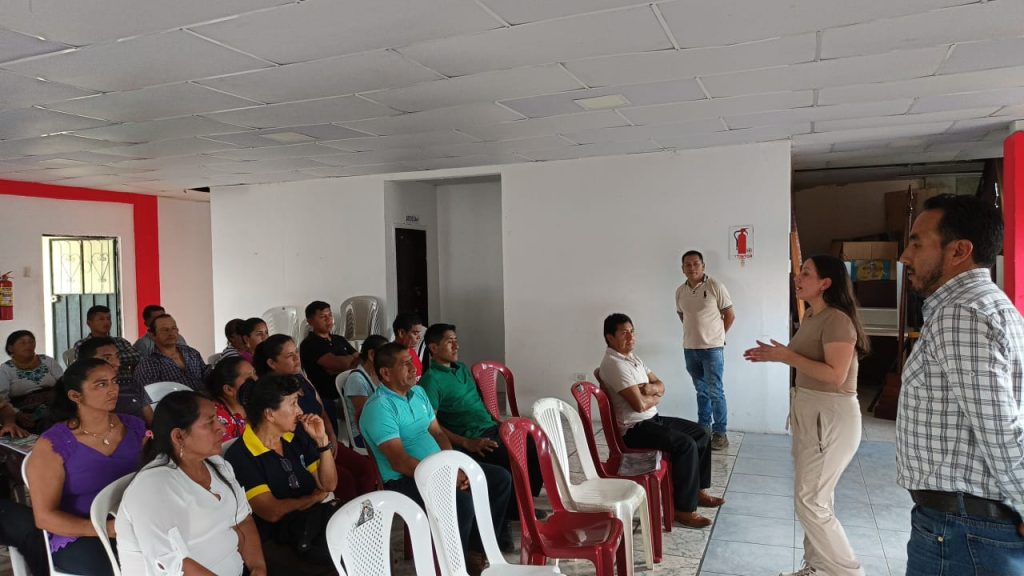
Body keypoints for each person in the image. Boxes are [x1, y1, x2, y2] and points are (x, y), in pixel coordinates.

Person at [895, 194, 1024, 576]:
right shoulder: (989, 305)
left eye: (917, 244)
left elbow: (999, 428)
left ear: (959, 251)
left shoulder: (960, 315)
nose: (904, 256)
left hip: (966, 530)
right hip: (968, 526)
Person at [744, 255, 869, 576]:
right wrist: (779, 356)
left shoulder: (837, 320)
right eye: (799, 273)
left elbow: (836, 375)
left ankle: (847, 572)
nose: (797, 278)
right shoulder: (814, 315)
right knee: (817, 498)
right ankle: (818, 568)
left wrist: (787, 356)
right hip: (810, 412)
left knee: (810, 501)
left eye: (806, 273)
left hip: (831, 416)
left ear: (825, 283)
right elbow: (805, 361)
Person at [360, 343, 513, 570]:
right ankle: (452, 565)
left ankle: (475, 552)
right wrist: (445, 477)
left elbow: (438, 433)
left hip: (438, 469)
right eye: (405, 364)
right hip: (404, 479)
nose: (413, 368)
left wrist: (453, 466)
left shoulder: (418, 393)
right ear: (386, 373)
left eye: (412, 362)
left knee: (499, 479)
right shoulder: (380, 408)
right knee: (461, 502)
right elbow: (399, 461)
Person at [116, 391, 266, 576]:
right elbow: (174, 564)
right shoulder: (152, 487)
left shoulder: (218, 465)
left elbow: (242, 519)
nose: (222, 428)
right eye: (210, 423)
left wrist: (258, 568)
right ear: (179, 436)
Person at [598, 313, 723, 529]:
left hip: (652, 419)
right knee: (685, 445)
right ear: (610, 337)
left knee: (701, 432)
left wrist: (650, 389)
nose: (631, 337)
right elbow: (639, 405)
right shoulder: (614, 364)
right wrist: (655, 396)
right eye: (624, 333)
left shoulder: (633, 359)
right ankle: (683, 509)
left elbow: (660, 384)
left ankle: (697, 491)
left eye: (632, 331)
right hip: (635, 429)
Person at [26, 358, 146, 576]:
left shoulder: (134, 427)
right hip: (80, 533)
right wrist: (107, 529)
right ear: (75, 396)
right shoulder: (53, 444)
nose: (113, 389)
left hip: (133, 522)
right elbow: (44, 517)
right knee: (128, 568)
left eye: (114, 381)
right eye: (101, 384)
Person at [419, 324, 545, 516]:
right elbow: (432, 426)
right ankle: (512, 510)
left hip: (490, 428)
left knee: (534, 443)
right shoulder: (431, 380)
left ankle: (524, 502)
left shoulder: (461, 368)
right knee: (511, 455)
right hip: (472, 437)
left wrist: (497, 421)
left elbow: (477, 402)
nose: (456, 346)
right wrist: (466, 442)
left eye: (456, 341)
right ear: (433, 348)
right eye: (450, 342)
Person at [224, 374, 338, 572]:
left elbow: (328, 485)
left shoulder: (296, 436)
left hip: (313, 525)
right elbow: (272, 512)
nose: (300, 411)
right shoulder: (241, 455)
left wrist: (322, 442)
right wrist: (313, 498)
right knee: (334, 565)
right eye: (293, 404)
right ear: (270, 414)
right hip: (277, 540)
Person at [255, 334, 376, 501]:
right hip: (303, 449)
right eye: (289, 356)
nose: (297, 358)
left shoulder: (302, 379)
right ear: (272, 363)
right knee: (345, 480)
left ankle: (365, 511)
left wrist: (331, 436)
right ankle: (345, 515)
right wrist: (321, 445)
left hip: (323, 439)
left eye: (296, 352)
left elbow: (322, 411)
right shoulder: (272, 394)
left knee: (366, 468)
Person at [676, 250, 735, 450]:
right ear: (682, 268)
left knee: (715, 392)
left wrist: (719, 337)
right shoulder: (680, 291)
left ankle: (720, 434)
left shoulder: (715, 286)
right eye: (687, 264)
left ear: (703, 266)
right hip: (690, 349)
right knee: (701, 391)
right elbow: (683, 316)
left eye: (696, 264)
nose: (692, 268)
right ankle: (703, 429)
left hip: (712, 350)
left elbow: (730, 315)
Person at [299, 301, 359, 429]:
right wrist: (349, 362)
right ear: (310, 321)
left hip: (348, 392)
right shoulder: (310, 344)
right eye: (323, 317)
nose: (329, 319)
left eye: (330, 315)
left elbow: (360, 359)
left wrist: (345, 365)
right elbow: (339, 364)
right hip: (326, 397)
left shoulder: (339, 339)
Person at [77, 336, 153, 424]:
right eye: (107, 358)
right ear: (87, 361)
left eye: (117, 357)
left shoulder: (131, 384)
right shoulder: (80, 392)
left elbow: (151, 421)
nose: (117, 363)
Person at [1, 330, 63, 432]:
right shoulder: (5, 369)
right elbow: (3, 399)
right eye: (22, 342)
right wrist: (17, 414)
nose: (28, 345)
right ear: (10, 348)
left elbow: (62, 382)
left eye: (31, 342)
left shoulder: (47, 360)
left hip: (54, 403)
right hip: (24, 411)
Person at [134, 314, 210, 391]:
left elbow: (207, 376)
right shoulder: (148, 365)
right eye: (165, 330)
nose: (171, 333)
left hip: (205, 396)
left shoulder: (191, 353)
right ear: (152, 335)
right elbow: (149, 395)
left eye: (173, 328)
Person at [341, 334, 389, 448]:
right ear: (372, 354)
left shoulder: (380, 375)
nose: (389, 359)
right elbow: (366, 417)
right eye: (386, 355)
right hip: (363, 435)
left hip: (380, 427)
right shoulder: (356, 379)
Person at [73, 304, 143, 379]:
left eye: (109, 318)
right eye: (101, 319)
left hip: (126, 382)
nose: (106, 322)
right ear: (89, 323)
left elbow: (137, 356)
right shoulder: (82, 344)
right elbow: (85, 364)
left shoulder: (120, 341)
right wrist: (117, 358)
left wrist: (106, 358)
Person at [205, 356, 254, 442]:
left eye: (255, 373)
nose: (256, 380)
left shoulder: (252, 402)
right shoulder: (217, 418)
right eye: (249, 378)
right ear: (229, 390)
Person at [392, 312, 426, 377]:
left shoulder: (411, 351)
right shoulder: (389, 356)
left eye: (419, 333)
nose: (419, 337)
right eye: (415, 333)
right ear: (401, 333)